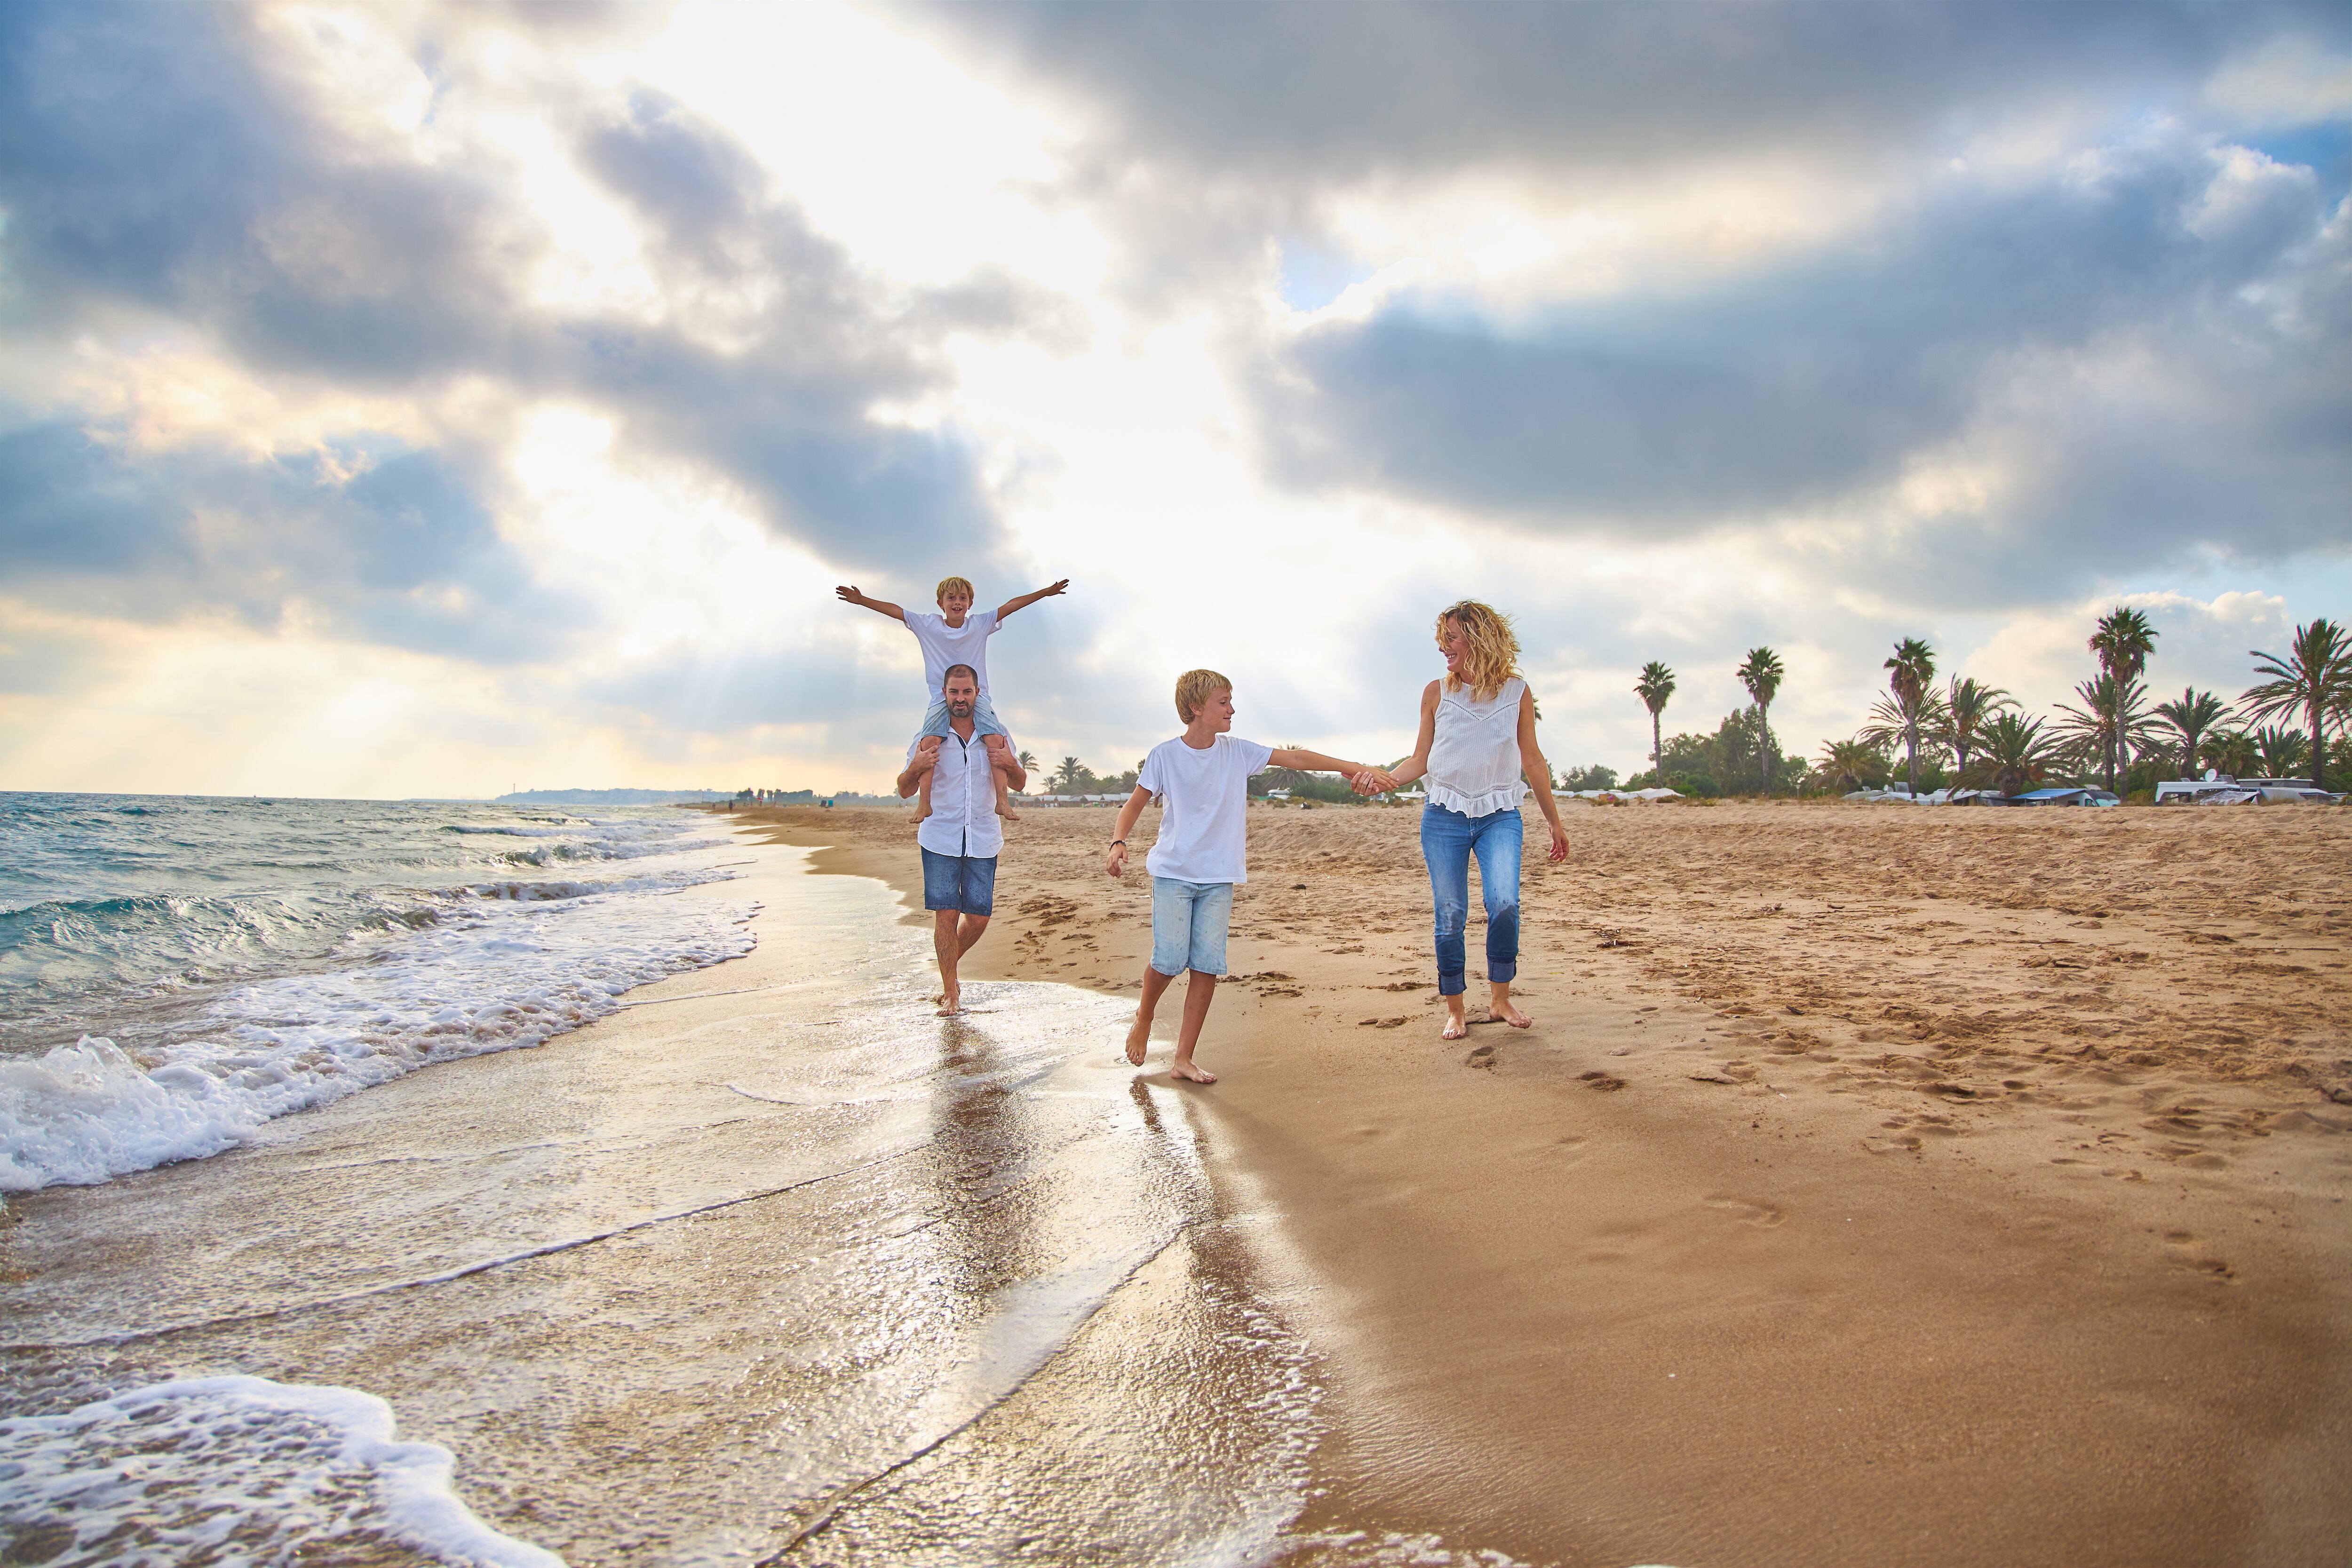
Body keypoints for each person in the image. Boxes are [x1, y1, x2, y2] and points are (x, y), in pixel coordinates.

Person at [1104, 669, 1383, 1083]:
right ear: (1197, 708)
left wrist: (1350, 767)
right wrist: (1118, 841)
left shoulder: (1236, 752)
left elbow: (1296, 758)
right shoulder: (1165, 755)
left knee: (1206, 965)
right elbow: (1134, 804)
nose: (1232, 708)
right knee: (1168, 960)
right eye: (1223, 701)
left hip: (1219, 877)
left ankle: (1183, 1058)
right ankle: (1144, 1019)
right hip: (1174, 875)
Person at [1364, 600, 1569, 1041]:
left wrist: (1554, 821)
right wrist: (1385, 780)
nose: (1444, 648)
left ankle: (1500, 999)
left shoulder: (1518, 692)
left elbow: (1532, 760)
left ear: (1477, 638)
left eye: (1451, 638)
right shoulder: (1436, 693)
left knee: (1505, 904)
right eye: (1443, 640)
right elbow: (1420, 759)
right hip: (1444, 817)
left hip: (1500, 816)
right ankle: (1456, 1009)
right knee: (1451, 913)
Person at [836, 573, 1068, 822]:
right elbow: (896, 611)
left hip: (977, 697)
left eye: (963, 598)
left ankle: (1002, 801)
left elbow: (1011, 606)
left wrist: (1044, 593)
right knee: (929, 742)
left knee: (995, 739)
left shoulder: (979, 625)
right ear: (941, 603)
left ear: (970, 604)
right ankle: (924, 803)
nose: (957, 602)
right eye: (951, 598)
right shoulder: (928, 625)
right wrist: (862, 601)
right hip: (940, 697)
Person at [897, 664, 1027, 1016]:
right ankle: (951, 990)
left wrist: (1009, 762)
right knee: (946, 915)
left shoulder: (996, 733)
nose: (960, 699)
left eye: (966, 692)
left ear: (977, 694)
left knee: (979, 917)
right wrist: (915, 766)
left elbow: (1020, 782)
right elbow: (905, 788)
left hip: (983, 836)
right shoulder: (929, 735)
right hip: (940, 836)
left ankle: (947, 961)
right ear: (944, 694)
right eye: (954, 692)